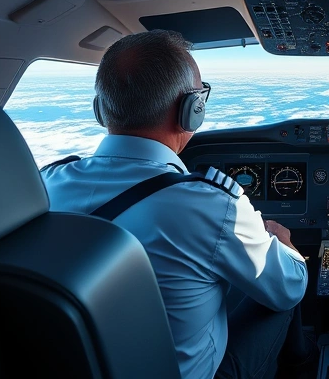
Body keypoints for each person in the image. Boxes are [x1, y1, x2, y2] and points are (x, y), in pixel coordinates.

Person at [41, 30, 312, 379]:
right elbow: (287, 288)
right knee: (282, 293)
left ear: (100, 109)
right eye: (201, 97)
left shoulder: (46, 184)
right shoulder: (211, 204)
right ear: (191, 110)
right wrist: (286, 247)